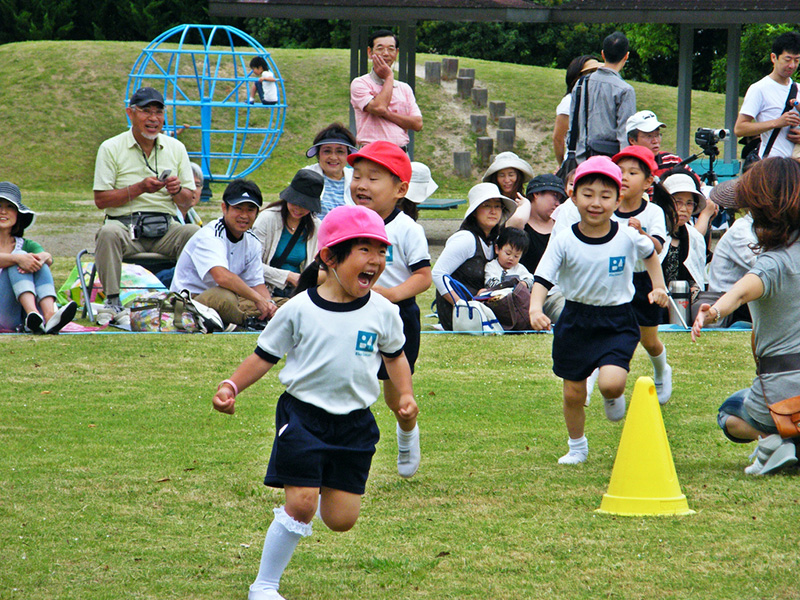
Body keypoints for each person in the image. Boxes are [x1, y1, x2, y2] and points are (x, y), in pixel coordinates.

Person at [213, 205, 418, 599]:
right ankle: (265, 585)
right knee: (303, 504)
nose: (376, 261)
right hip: (303, 417)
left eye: (381, 252)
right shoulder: (299, 310)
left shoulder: (384, 312)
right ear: (330, 256)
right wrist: (231, 386)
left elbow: (395, 357)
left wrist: (405, 395)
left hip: (355, 424)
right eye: (365, 250)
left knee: (341, 520)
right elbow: (263, 356)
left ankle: (395, 440)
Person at [530, 156, 668, 465]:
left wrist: (659, 287)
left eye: (605, 196)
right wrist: (535, 307)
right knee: (573, 392)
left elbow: (651, 254)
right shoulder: (564, 239)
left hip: (618, 319)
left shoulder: (627, 235)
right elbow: (543, 277)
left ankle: (612, 395)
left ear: (618, 199)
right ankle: (577, 446)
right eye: (588, 194)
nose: (596, 202)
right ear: (573, 196)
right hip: (575, 319)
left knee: (611, 383)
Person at [692, 157, 800, 475]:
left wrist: (712, 312)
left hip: (781, 392)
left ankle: (773, 442)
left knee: (729, 413)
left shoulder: (772, 263)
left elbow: (740, 292)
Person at [349, 140, 429, 478]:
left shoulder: (407, 229)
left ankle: (407, 431)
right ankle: (347, 446)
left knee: (396, 397)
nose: (361, 185)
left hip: (399, 318)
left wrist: (392, 294)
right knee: (351, 383)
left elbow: (424, 276)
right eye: (357, 176)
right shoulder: (346, 222)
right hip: (354, 316)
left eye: (373, 178)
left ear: (401, 189)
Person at [92, 87, 198, 327]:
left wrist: (177, 190)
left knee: (193, 234)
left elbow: (187, 202)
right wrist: (139, 188)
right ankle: (112, 301)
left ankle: (184, 299)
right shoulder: (111, 147)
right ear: (130, 113)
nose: (153, 118)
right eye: (146, 111)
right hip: (124, 228)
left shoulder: (176, 148)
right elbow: (101, 200)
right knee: (107, 233)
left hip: (165, 228)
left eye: (159, 112)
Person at [611, 145, 676, 404]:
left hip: (647, 280)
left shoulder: (653, 212)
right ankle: (612, 387)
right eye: (619, 171)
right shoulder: (607, 208)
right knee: (616, 336)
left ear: (649, 181)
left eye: (632, 172)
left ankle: (662, 370)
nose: (624, 177)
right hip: (616, 278)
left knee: (649, 341)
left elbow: (658, 246)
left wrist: (641, 234)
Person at [170, 179, 277, 329]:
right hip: (192, 300)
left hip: (234, 300)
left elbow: (256, 283)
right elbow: (222, 277)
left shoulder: (252, 241)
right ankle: (248, 324)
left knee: (284, 303)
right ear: (224, 208)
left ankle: (259, 320)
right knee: (224, 297)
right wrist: (258, 300)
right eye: (238, 208)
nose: (244, 215)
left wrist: (268, 304)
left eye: (250, 210)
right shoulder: (210, 235)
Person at [432, 183, 516, 331]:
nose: (493, 211)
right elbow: (438, 274)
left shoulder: (494, 241)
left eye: (497, 206)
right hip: (460, 316)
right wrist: (462, 306)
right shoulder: (466, 239)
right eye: (486, 205)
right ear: (475, 212)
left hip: (482, 310)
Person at [0, 182, 77, 334]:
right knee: (21, 257)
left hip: (15, 315)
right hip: (3, 312)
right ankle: (32, 314)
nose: (3, 212)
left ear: (18, 214)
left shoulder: (26, 244)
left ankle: (48, 316)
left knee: (36, 259)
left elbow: (48, 257)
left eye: (10, 207)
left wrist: (41, 258)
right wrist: (17, 259)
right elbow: (17, 258)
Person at [252, 170, 323, 303]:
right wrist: (288, 276)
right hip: (265, 291)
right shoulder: (267, 219)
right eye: (294, 202)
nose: (298, 208)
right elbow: (251, 265)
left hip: (297, 293)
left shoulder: (316, 226)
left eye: (305, 205)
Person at [568, 31, 636, 163]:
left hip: (581, 161)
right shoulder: (625, 90)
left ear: (603, 54)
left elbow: (572, 128)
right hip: (609, 162)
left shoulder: (581, 83)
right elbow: (625, 135)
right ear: (626, 56)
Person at [505, 173, 566, 321]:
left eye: (560, 198)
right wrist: (526, 204)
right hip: (524, 296)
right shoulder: (521, 226)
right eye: (554, 196)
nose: (557, 203)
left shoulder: (561, 227)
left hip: (556, 294)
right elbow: (517, 221)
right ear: (537, 194)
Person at [350, 29, 423, 149]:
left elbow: (417, 124)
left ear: (396, 52)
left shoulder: (404, 88)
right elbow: (379, 108)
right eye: (380, 48)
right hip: (372, 151)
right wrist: (389, 77)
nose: (386, 53)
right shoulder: (360, 83)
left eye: (391, 49)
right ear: (370, 52)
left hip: (400, 152)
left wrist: (386, 114)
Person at [734, 32, 800, 159]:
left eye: (796, 60)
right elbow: (740, 129)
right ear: (774, 58)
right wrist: (777, 123)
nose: (792, 65)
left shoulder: (798, 88)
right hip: (772, 167)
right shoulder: (759, 89)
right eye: (788, 59)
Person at [659, 171, 708, 300]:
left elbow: (697, 275)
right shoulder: (655, 231)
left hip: (682, 304)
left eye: (689, 203)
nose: (683, 208)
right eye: (678, 202)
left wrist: (694, 288)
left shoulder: (694, 237)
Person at [553, 55, 602, 164]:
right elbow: (558, 138)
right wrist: (563, 165)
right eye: (589, 72)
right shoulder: (569, 102)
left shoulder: (599, 99)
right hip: (577, 162)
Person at [302, 123, 358, 217]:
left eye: (340, 151)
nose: (333, 157)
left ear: (348, 155)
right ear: (318, 154)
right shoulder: (306, 175)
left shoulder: (356, 178)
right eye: (327, 151)